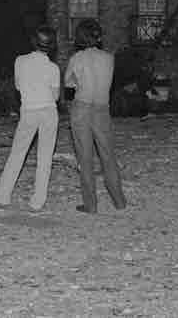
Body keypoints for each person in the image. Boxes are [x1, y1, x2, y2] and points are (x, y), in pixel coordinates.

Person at [0, 26, 61, 211]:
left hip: (28, 111)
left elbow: (17, 85)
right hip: (48, 111)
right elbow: (55, 96)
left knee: (17, 153)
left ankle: (2, 196)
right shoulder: (53, 68)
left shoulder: (20, 61)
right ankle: (37, 200)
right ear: (52, 46)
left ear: (33, 42)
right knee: (45, 156)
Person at [65, 19, 127, 213]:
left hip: (82, 108)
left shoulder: (77, 58)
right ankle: (119, 202)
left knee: (85, 158)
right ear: (99, 36)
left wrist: (78, 80)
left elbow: (68, 83)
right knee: (108, 156)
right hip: (102, 109)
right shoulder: (109, 58)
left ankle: (91, 205)